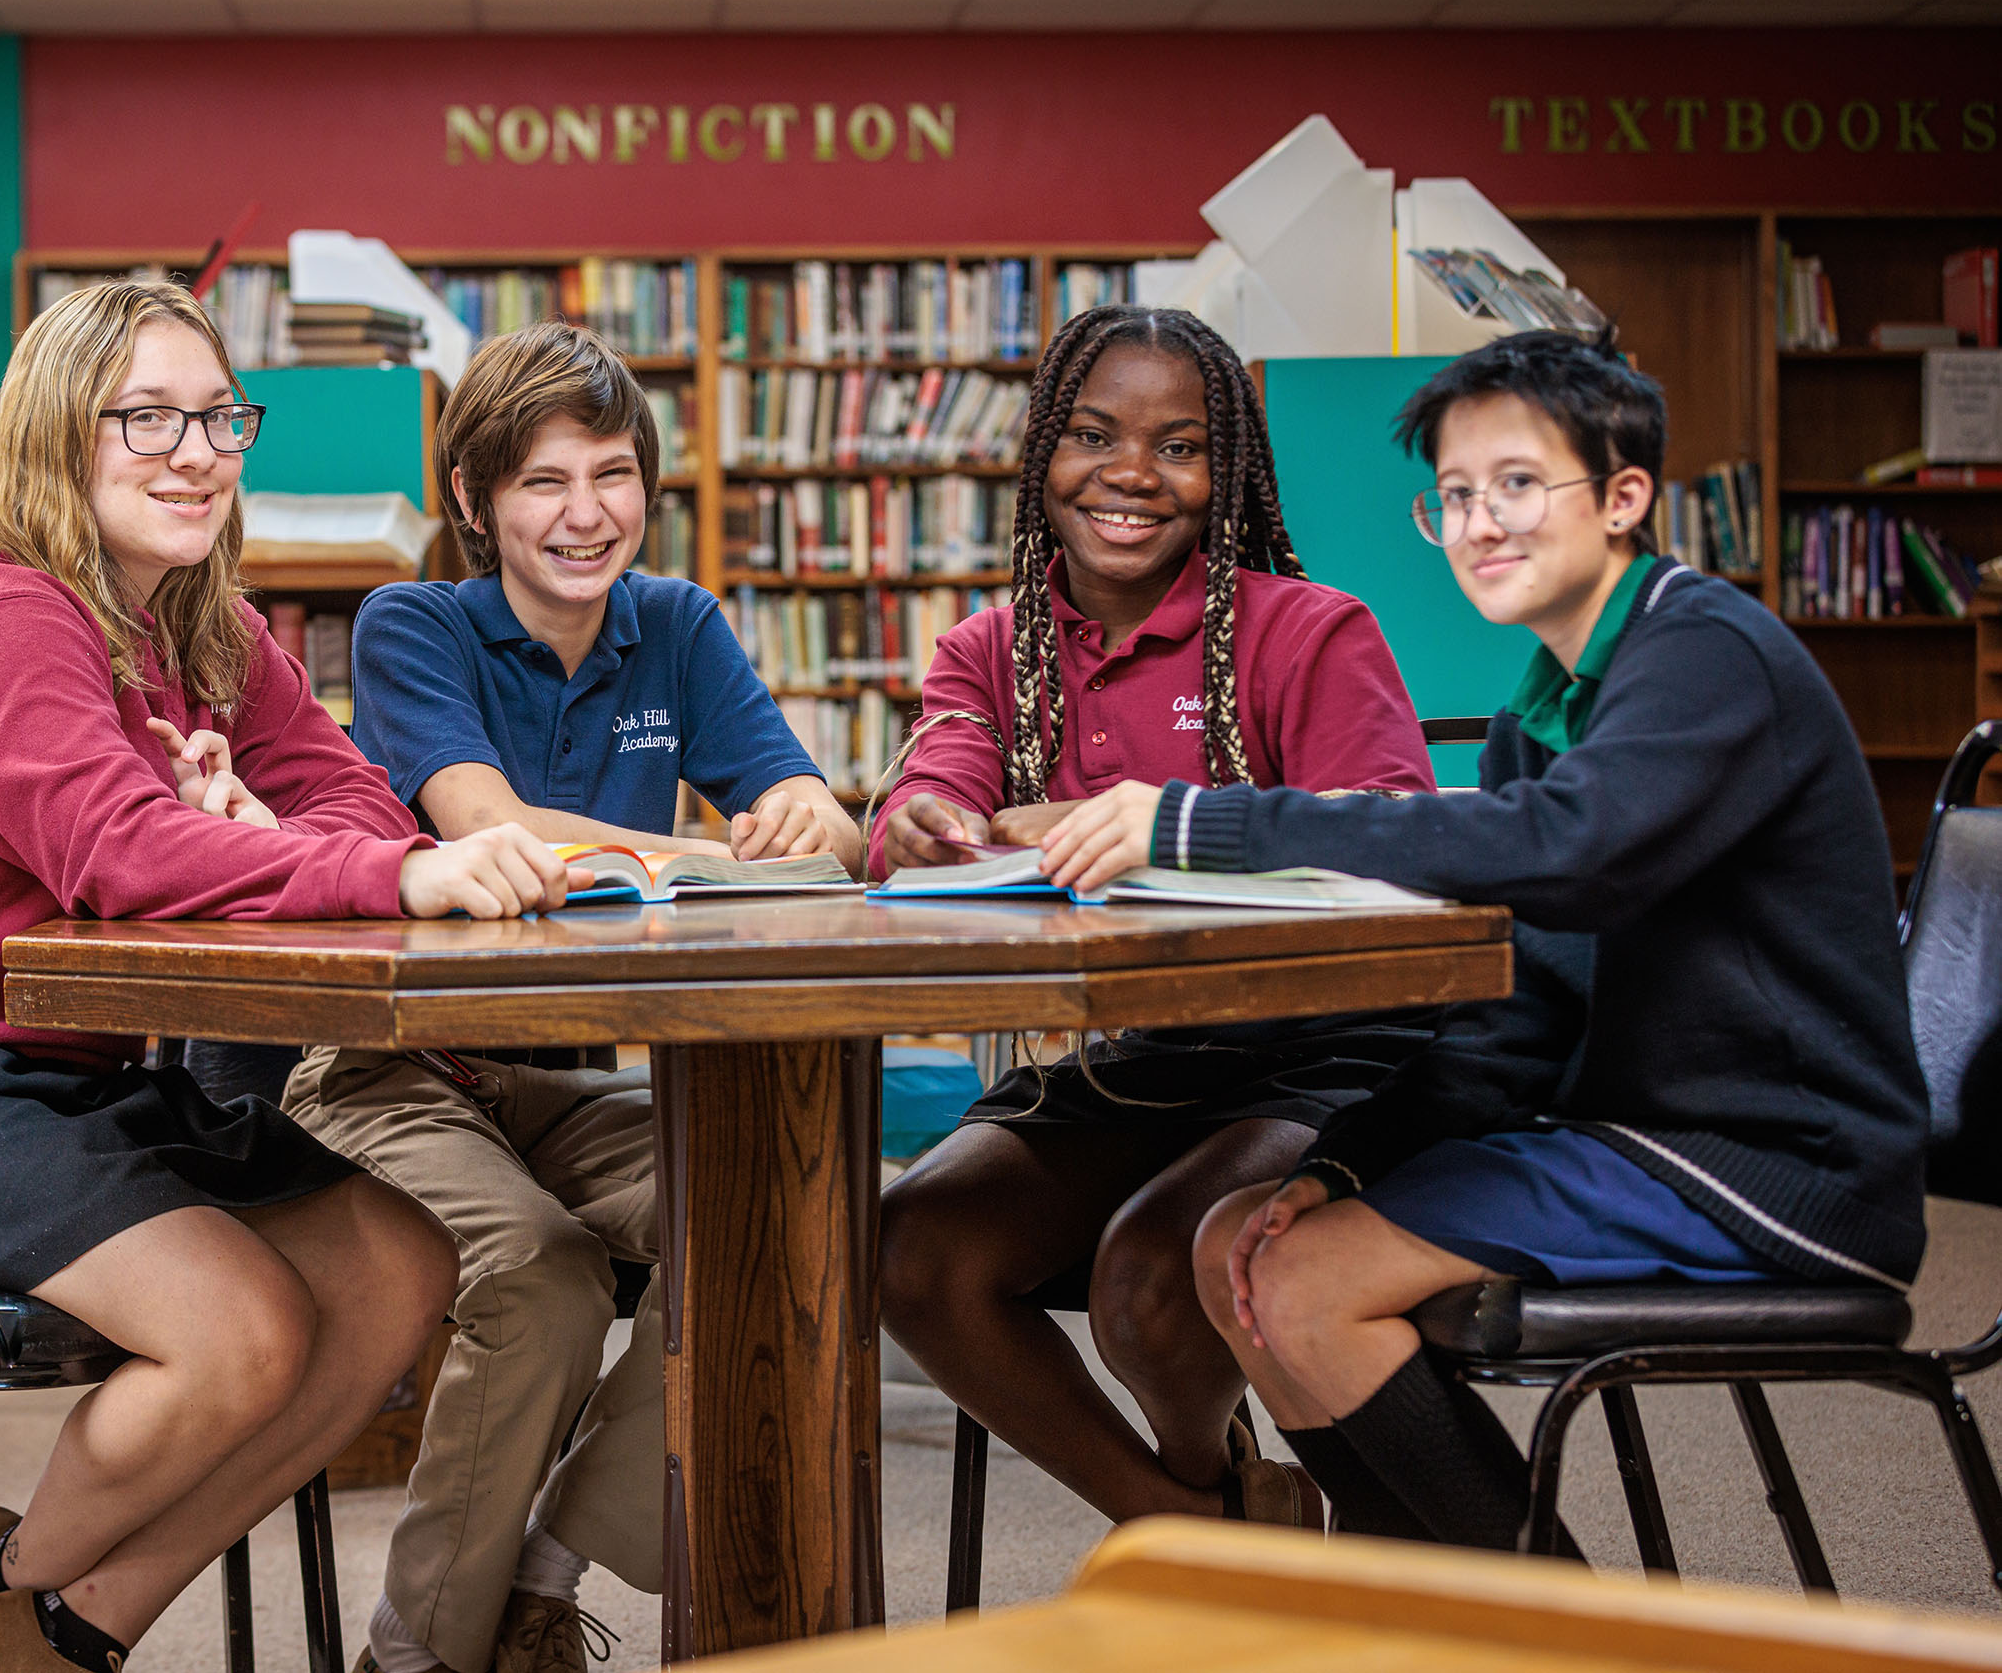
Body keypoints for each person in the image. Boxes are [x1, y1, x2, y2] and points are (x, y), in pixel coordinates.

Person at [0, 280, 587, 1673]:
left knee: (400, 1264)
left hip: (58, 1088)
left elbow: (360, 807)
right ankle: (15, 1625)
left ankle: (47, 1620)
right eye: (146, 419)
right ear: (58, 437)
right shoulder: (3, 617)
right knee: (236, 1333)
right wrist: (316, 859)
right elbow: (119, 853)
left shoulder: (204, 631)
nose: (194, 455)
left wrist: (264, 834)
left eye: (218, 418)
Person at [1022, 330, 1933, 1554]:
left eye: (1516, 484)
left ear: (1620, 499)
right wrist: (1335, 1165)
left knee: (1303, 1283)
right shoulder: (1541, 707)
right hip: (1625, 1139)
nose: (1478, 524)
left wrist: (1193, 820)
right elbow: (1525, 1013)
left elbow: (1564, 847)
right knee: (1246, 1241)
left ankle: (1559, 1636)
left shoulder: (1702, 649)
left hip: (1775, 1163)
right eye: (1451, 496)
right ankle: (1442, 1622)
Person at [286, 321, 862, 1673]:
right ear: (477, 502)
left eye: (613, 474)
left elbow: (822, 824)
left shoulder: (676, 623)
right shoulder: (412, 623)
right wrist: (725, 852)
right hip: (390, 1065)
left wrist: (799, 812)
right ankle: (415, 1649)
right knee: (544, 1279)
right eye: (543, 481)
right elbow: (500, 835)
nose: (587, 513)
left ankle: (541, 1573)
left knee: (778, 1211)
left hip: (554, 1077)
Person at [871, 304, 1438, 1532]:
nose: (1129, 473)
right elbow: (928, 790)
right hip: (1134, 1057)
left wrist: (1166, 820)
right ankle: (1196, 1526)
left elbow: (1396, 842)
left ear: (1223, 473)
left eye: (1177, 446)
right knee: (912, 1247)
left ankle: (1197, 1485)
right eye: (1091, 434)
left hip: (1322, 1051)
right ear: (1040, 457)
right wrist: (920, 820)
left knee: (1147, 1281)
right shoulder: (993, 647)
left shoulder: (1307, 630)